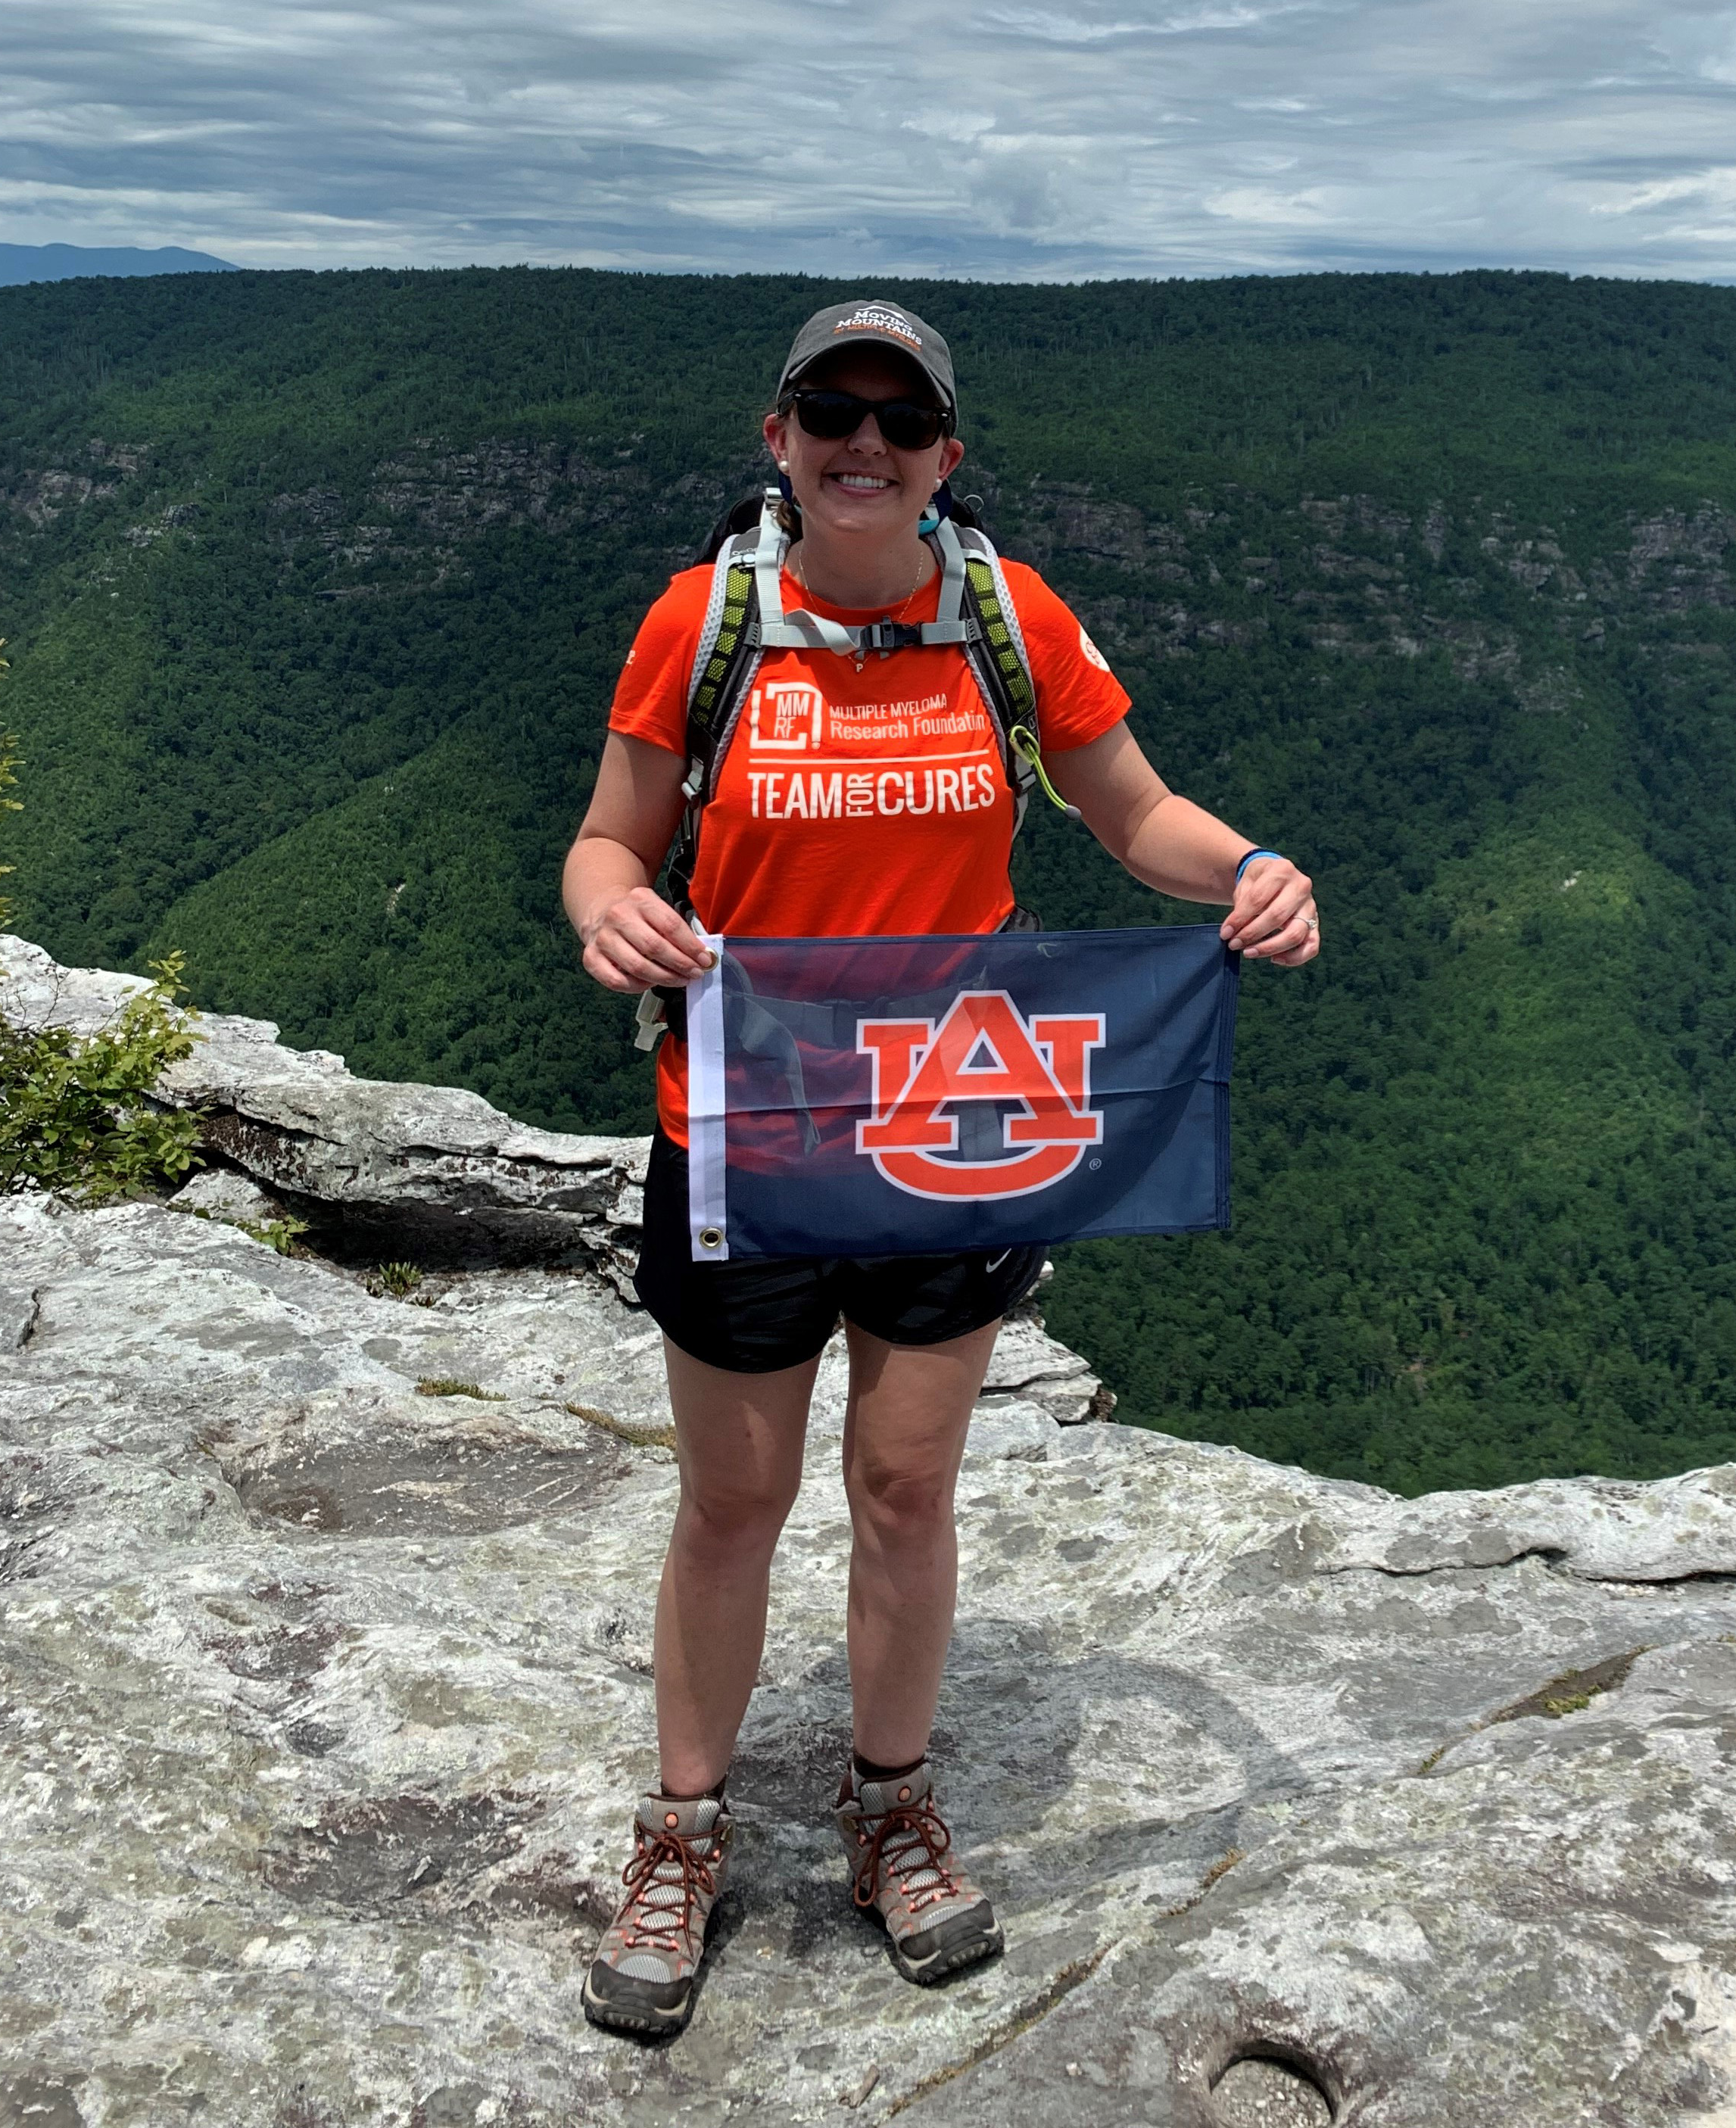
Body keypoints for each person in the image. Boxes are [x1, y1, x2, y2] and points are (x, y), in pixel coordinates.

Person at [560, 295, 1319, 2036]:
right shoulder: (709, 619)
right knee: (735, 1498)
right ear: (778, 434)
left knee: (904, 1489)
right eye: (832, 409)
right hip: (741, 1124)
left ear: (945, 457)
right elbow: (608, 834)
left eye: (902, 424)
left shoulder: (1003, 610)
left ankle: (892, 1805)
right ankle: (682, 1830)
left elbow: (1128, 805)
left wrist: (1250, 869)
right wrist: (615, 914)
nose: (865, 445)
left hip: (947, 1125)